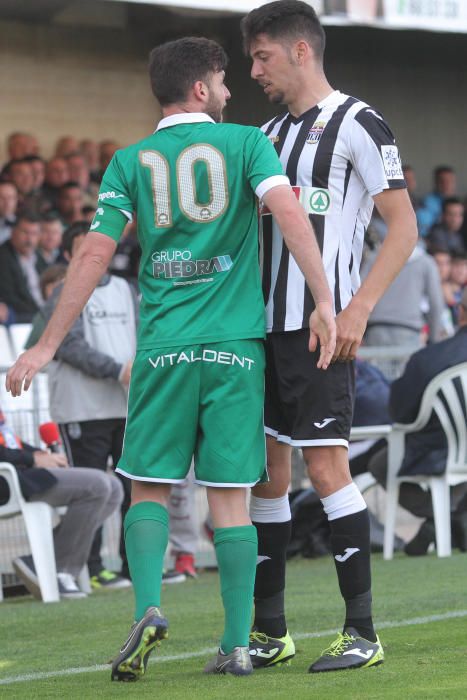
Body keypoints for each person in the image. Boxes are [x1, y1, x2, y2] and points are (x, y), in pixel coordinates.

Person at [6, 36, 335, 681]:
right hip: (235, 349)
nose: (232, 90)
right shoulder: (245, 143)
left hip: (161, 349)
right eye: (223, 80)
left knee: (149, 488)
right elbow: (288, 211)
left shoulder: (129, 161)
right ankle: (237, 643)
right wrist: (323, 300)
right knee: (231, 499)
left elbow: (94, 255)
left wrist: (44, 345)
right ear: (201, 89)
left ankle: (150, 607)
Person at [241, 0, 417, 673]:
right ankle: (270, 632)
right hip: (260, 330)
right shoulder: (263, 134)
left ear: (300, 50)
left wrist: (357, 308)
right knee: (265, 475)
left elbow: (401, 227)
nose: (254, 70)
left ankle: (362, 633)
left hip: (321, 328)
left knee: (324, 466)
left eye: (262, 56)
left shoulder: (356, 121)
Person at [42, 221, 135, 590]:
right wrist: (118, 369)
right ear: (68, 255)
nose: (96, 254)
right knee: (92, 490)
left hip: (127, 407)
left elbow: (143, 335)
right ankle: (91, 569)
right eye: (84, 248)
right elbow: (69, 345)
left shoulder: (128, 288)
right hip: (83, 409)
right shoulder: (64, 292)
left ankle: (134, 566)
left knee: (134, 490)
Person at [368, 286, 467, 554]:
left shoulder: (429, 358)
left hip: (437, 449)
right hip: (446, 450)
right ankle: (454, 515)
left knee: (379, 464)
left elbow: (399, 413)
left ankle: (444, 516)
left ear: (459, 311)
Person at [0, 409, 123, 599]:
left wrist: (38, 453)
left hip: (22, 474)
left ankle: (40, 563)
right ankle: (59, 569)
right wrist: (32, 459)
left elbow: (9, 442)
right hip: (9, 479)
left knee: (114, 489)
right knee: (97, 486)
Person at [0, 213, 45, 322]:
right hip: (21, 316)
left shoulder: (39, 257)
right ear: (13, 232)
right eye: (25, 232)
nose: (29, 239)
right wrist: (40, 313)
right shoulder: (3, 257)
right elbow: (8, 296)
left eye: (34, 234)